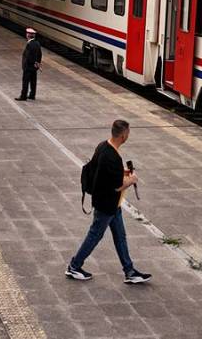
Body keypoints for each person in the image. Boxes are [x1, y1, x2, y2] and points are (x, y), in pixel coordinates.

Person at [66, 119, 152, 285]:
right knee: (95, 235)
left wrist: (122, 171)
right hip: (106, 205)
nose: (129, 135)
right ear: (123, 135)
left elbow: (102, 171)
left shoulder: (103, 146)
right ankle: (74, 266)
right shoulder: (112, 157)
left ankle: (129, 271)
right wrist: (131, 179)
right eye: (128, 132)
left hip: (112, 205)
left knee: (120, 237)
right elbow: (117, 186)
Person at [16, 28, 42, 101]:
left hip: (28, 67)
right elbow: (40, 54)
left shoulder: (29, 44)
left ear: (28, 35)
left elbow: (28, 56)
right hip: (34, 67)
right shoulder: (37, 43)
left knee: (25, 82)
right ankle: (32, 95)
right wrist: (37, 63)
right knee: (33, 81)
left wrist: (25, 65)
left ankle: (23, 96)